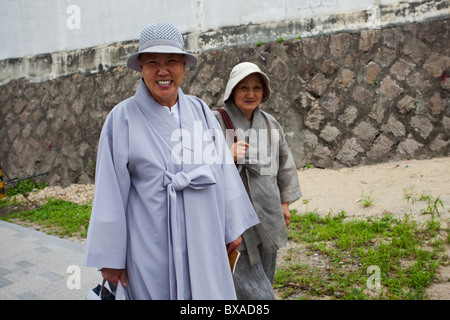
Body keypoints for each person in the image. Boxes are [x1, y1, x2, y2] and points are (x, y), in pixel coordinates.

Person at [84, 22, 259, 300]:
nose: (163, 71)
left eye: (172, 62)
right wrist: (111, 257)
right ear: (140, 66)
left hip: (204, 235)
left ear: (183, 66)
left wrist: (231, 226)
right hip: (150, 242)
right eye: (153, 62)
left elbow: (223, 169)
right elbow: (110, 190)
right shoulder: (122, 118)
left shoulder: (200, 110)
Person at [213, 62, 302, 299]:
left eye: (256, 88)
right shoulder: (215, 122)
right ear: (232, 90)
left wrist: (285, 204)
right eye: (243, 87)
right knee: (257, 293)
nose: (250, 94)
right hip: (234, 221)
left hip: (268, 213)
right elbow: (197, 164)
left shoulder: (271, 124)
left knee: (264, 278)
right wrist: (225, 155)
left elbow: (285, 165)